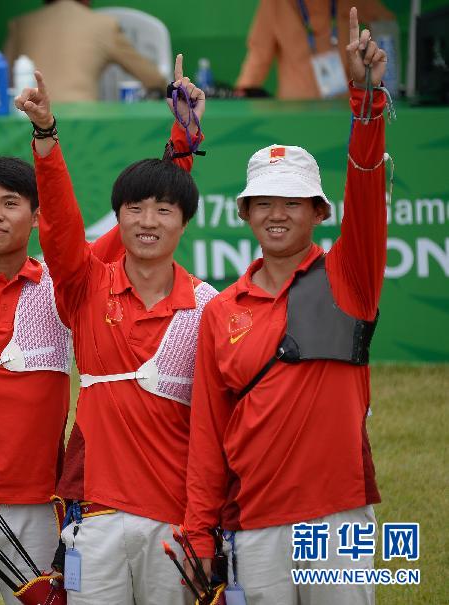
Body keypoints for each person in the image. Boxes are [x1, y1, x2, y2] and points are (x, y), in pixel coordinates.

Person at [185, 8, 389, 604]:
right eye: (264, 202)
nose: (278, 213)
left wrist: (366, 101)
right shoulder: (221, 311)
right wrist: (200, 531)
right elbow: (207, 434)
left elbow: (369, 184)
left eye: (294, 202)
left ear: (319, 212)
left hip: (338, 517)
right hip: (255, 520)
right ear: (245, 214)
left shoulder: (351, 277)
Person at [15, 57, 214, 603]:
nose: (148, 221)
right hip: (95, 516)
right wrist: (46, 137)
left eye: (163, 211)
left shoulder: (208, 308)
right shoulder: (84, 286)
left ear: (184, 221)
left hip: (177, 521)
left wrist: (185, 132)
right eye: (134, 209)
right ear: (118, 218)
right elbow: (59, 227)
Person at [3, 0, 166, 103]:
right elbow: (153, 78)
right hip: (83, 124)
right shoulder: (104, 25)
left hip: (29, 121)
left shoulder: (21, 25)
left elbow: (3, 83)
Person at [235, 0, 394, 99]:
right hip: (295, 110)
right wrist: (243, 90)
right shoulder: (275, 3)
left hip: (343, 107)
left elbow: (386, 27)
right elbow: (258, 56)